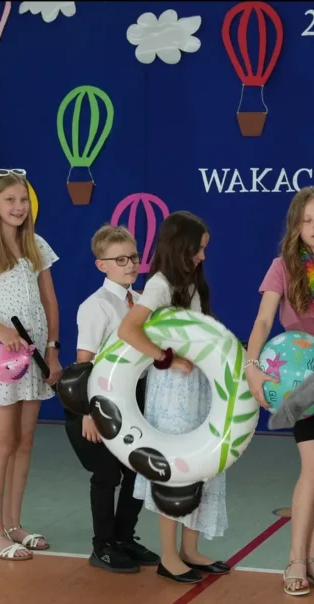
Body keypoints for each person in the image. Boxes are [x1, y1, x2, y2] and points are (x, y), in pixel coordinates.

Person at [244, 186, 314, 596]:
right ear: (296, 226)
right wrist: (252, 367)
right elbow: (262, 320)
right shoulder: (283, 266)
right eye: (307, 220)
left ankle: (313, 557)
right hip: (301, 378)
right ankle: (294, 559)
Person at [118, 211, 230, 584]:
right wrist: (165, 358)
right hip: (173, 393)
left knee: (203, 463)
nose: (202, 256)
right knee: (176, 469)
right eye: (198, 248)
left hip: (198, 387)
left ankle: (190, 549)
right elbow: (128, 329)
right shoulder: (160, 284)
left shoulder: (192, 282)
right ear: (180, 246)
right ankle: (169, 555)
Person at [0, 169, 61, 560]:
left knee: (24, 441)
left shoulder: (36, 244)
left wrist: (52, 350)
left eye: (23, 200)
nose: (18, 207)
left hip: (35, 353)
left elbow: (49, 301)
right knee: (2, 442)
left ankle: (12, 524)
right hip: (2, 356)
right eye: (10, 200)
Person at [64, 224, 159, 573]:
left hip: (132, 398)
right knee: (106, 474)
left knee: (137, 470)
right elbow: (83, 364)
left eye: (133, 257)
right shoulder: (97, 307)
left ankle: (123, 538)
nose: (130, 264)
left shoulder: (141, 301)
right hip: (98, 399)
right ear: (101, 265)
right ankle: (102, 546)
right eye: (120, 260)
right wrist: (87, 412)